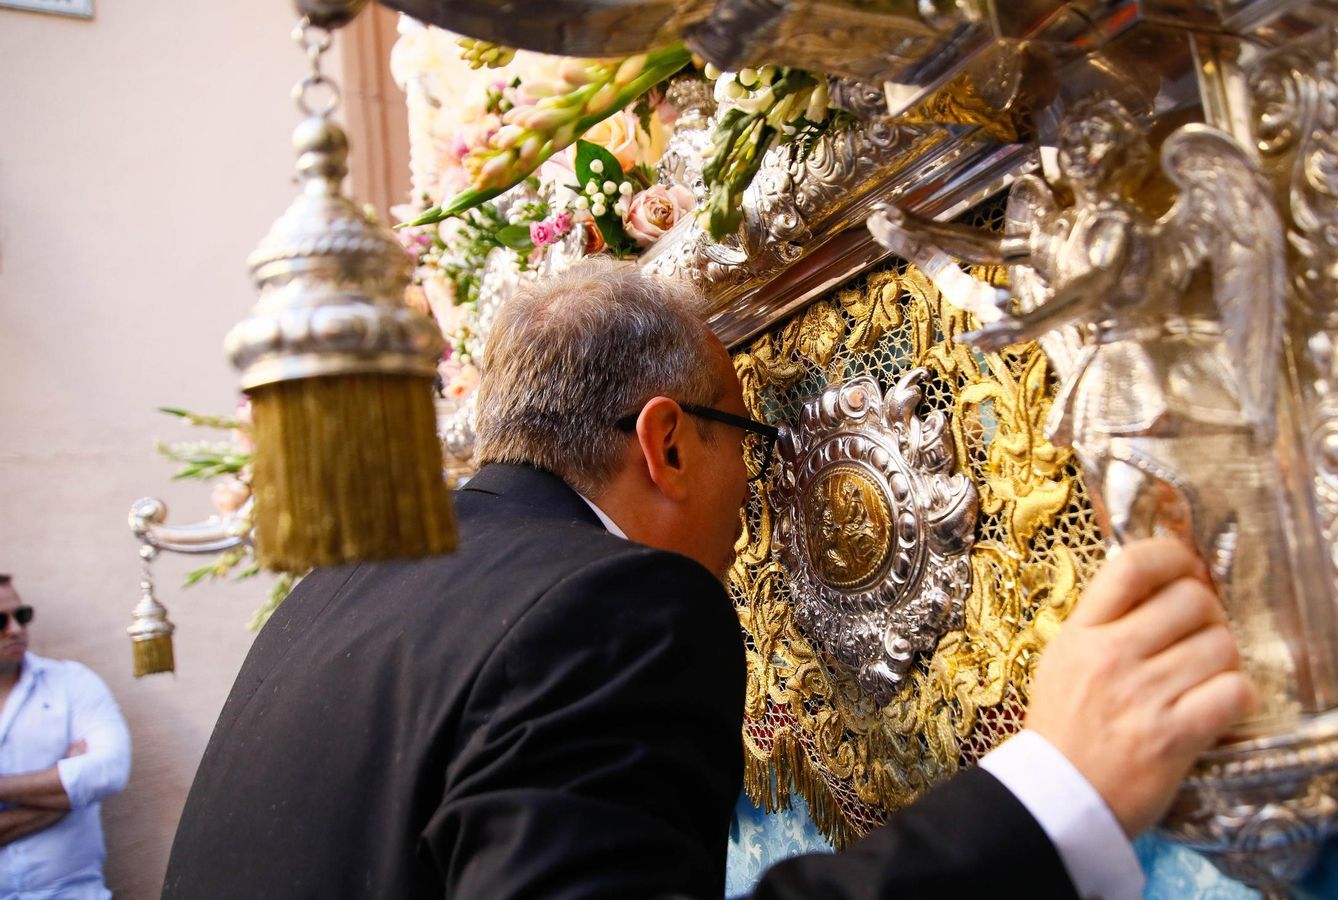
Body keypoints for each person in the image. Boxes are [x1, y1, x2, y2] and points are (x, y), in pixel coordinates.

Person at [164, 259, 1256, 899]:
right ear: (669, 443)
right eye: (751, 438)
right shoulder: (610, 605)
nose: (762, 495)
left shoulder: (347, 583)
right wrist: (1055, 786)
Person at [0, 573, 132, 900]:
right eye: (0, 620)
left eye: (22, 615)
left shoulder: (70, 683)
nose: (15, 629)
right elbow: (88, 780)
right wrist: (69, 791)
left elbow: (109, 771)